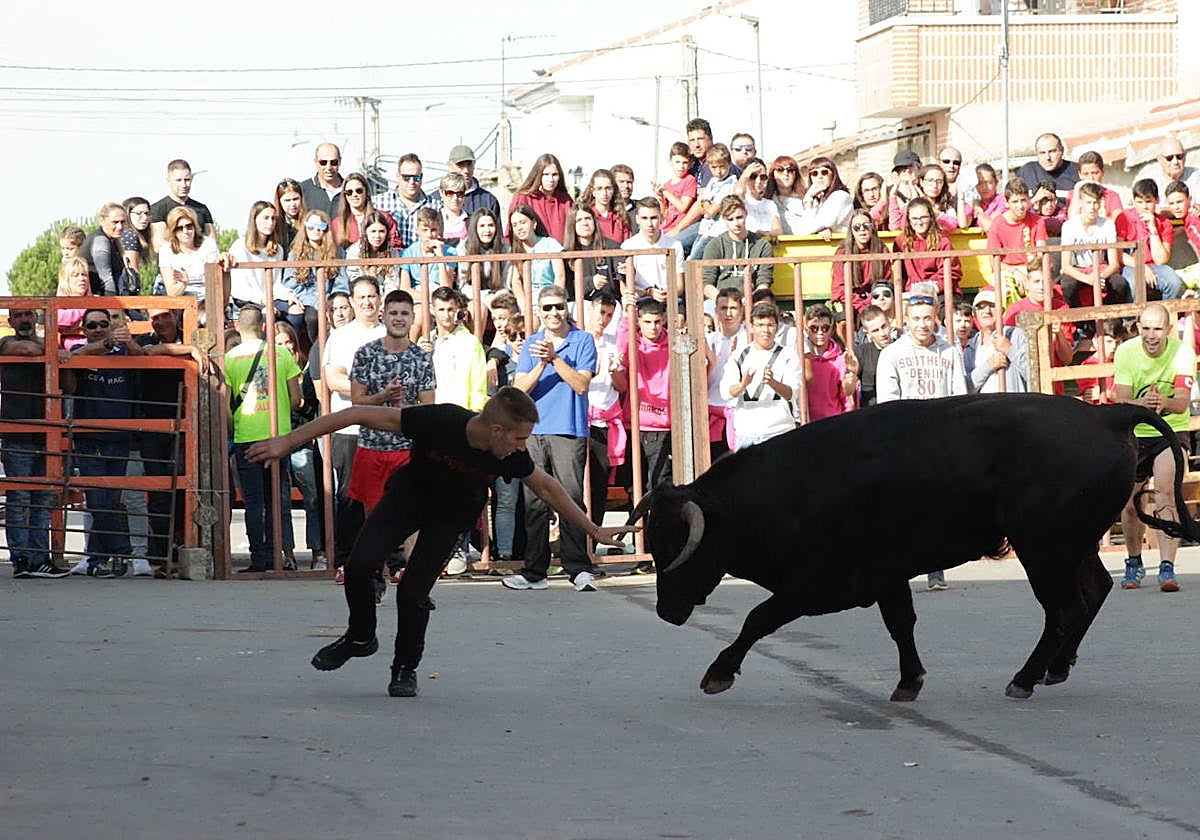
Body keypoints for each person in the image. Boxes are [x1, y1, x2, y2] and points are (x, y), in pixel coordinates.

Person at [245, 386, 635, 697]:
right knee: (361, 565)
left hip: (449, 519)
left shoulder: (508, 455)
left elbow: (549, 488)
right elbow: (356, 413)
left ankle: (404, 668)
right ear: (497, 430)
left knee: (412, 592)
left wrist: (592, 530)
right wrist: (287, 442)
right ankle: (360, 636)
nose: (523, 447)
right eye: (520, 438)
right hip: (407, 499)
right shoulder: (441, 420)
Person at [504, 285, 600, 592]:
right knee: (534, 502)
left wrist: (555, 358)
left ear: (567, 307)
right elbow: (519, 391)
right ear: (539, 312)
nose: (553, 313)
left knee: (570, 499)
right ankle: (535, 571)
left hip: (568, 429)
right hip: (533, 431)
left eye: (558, 306)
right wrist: (542, 362)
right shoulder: (532, 343)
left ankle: (579, 568)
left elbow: (581, 384)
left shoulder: (582, 340)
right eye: (546, 308)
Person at [875, 287, 968, 590]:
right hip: (907, 440)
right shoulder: (892, 354)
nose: (922, 324)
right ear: (907, 319)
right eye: (916, 318)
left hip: (941, 441)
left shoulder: (949, 351)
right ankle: (897, 567)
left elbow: (959, 398)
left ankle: (935, 569)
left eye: (928, 318)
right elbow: (888, 403)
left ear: (936, 318)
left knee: (938, 507)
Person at [348, 290, 435, 583]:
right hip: (372, 445)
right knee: (373, 513)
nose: (399, 318)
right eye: (394, 313)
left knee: (413, 513)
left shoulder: (421, 358)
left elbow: (428, 407)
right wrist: (383, 397)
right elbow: (357, 401)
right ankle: (376, 571)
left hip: (408, 448)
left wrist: (402, 410)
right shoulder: (366, 353)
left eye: (404, 313)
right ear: (383, 315)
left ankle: (415, 573)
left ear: (412, 318)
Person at [1114, 303, 1196, 592]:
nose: (1151, 335)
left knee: (1165, 494)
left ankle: (1167, 566)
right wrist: (1145, 404)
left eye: (1157, 329)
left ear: (1168, 330)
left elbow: (1183, 401)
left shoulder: (1183, 352)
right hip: (1136, 430)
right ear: (1137, 327)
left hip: (1170, 430)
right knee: (1129, 500)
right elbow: (1121, 399)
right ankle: (1134, 561)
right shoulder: (1125, 352)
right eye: (1146, 328)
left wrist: (1163, 403)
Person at [63, 308, 143, 578]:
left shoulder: (125, 351)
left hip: (119, 437)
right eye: (92, 325)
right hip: (89, 438)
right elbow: (70, 383)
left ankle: (98, 559)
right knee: (98, 501)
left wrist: (125, 339)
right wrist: (103, 345)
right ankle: (122, 550)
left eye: (103, 324)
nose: (98, 328)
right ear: (84, 330)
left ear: (111, 325)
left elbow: (142, 359)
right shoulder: (82, 352)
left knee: (109, 501)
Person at [225, 306, 301, 574]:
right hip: (277, 437)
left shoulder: (230, 358)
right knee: (276, 500)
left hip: (246, 436)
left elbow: (225, 405)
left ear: (237, 326)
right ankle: (276, 556)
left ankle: (257, 558)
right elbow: (296, 399)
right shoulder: (280, 353)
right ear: (264, 326)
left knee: (253, 502)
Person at [138, 308, 210, 576]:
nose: (160, 321)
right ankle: (160, 556)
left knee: (183, 486)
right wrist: (186, 350)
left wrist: (189, 348)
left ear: (176, 316)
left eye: (165, 315)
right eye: (155, 317)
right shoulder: (148, 340)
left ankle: (181, 546)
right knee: (158, 491)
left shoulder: (190, 337)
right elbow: (147, 353)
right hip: (152, 425)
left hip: (184, 424)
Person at [323, 277, 385, 581]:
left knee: (390, 494)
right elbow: (334, 379)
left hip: (387, 428)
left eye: (372, 296)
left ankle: (392, 561)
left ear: (380, 298)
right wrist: (373, 393)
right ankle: (347, 562)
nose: (367, 302)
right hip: (348, 426)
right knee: (349, 496)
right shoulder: (341, 336)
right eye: (361, 297)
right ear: (353, 300)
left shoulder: (391, 333)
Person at [1, 308, 66, 579]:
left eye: (29, 314)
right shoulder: (5, 344)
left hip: (46, 432)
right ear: (10, 321)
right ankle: (22, 559)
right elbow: (25, 349)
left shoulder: (45, 345)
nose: (25, 320)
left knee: (42, 497)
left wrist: (52, 350)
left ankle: (38, 559)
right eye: (19, 315)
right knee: (20, 497)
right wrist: (52, 350)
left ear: (37, 319)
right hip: (17, 433)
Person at [273, 321, 326, 571]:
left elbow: (310, 404)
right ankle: (287, 554)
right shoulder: (270, 371)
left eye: (288, 341)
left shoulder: (305, 368)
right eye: (279, 343)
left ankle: (318, 552)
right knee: (281, 500)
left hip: (303, 440)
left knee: (313, 499)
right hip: (280, 439)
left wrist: (301, 403)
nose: (285, 347)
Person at [719, 301, 801, 448]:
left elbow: (791, 393)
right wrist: (743, 385)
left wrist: (773, 383)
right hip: (747, 432)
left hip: (780, 431)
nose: (766, 330)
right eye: (760, 325)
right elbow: (726, 392)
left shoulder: (788, 355)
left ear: (777, 327)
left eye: (770, 325)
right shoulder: (739, 355)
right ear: (751, 327)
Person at [584, 290, 625, 536]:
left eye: (609, 314)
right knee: (574, 485)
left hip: (603, 422)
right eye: (600, 312)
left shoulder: (613, 343)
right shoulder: (577, 338)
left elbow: (622, 386)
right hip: (578, 420)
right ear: (590, 310)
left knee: (598, 486)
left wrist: (614, 370)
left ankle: (593, 541)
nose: (604, 318)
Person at [280, 210, 349, 341]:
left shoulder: (337, 251)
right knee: (313, 318)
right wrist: (316, 301)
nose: (315, 230)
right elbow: (290, 282)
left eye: (320, 226)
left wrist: (332, 299)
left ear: (326, 228)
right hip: (306, 301)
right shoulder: (295, 253)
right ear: (305, 228)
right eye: (311, 226)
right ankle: (316, 353)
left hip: (331, 299)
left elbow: (341, 282)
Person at [1115, 179, 1183, 301]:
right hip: (1130, 265)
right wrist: (1141, 267)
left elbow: (1161, 260)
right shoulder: (1124, 218)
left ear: (1156, 200)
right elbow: (1119, 254)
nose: (1144, 207)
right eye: (1139, 202)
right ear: (1134, 201)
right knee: (1133, 284)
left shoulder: (1164, 223)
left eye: (1148, 202)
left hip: (1155, 266)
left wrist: (1153, 229)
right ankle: (1130, 320)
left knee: (1175, 283)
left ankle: (1164, 315)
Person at [1059, 181, 1124, 307]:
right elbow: (1065, 265)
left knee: (1119, 284)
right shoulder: (1069, 226)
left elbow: (1114, 263)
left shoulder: (1108, 225)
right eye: (1088, 202)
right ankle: (1079, 323)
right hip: (1077, 269)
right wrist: (1088, 279)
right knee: (1068, 285)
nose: (1092, 207)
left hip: (1101, 269)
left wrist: (1099, 276)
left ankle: (1109, 317)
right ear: (1081, 203)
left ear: (1100, 203)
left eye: (1095, 202)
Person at [700, 196, 774, 299]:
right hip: (719, 300)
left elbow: (764, 283)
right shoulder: (714, 245)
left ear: (746, 213)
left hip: (753, 300)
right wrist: (725, 301)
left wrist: (747, 301)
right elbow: (707, 284)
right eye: (730, 219)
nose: (736, 223)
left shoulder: (762, 245)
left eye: (739, 217)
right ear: (723, 219)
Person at [987, 177, 1047, 305]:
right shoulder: (997, 224)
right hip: (1006, 271)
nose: (1020, 206)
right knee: (1005, 289)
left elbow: (1041, 254)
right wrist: (1015, 272)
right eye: (1015, 201)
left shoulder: (1038, 221)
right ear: (1007, 203)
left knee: (1042, 286)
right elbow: (994, 263)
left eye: (1023, 200)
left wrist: (1029, 273)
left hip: (1032, 268)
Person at [963, 287, 1028, 394]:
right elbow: (966, 388)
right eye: (981, 307)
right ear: (974, 314)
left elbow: (1033, 375)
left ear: (1002, 311)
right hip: (983, 409)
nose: (987, 311)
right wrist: (988, 366)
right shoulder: (971, 346)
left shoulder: (1016, 335)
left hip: (1013, 406)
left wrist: (1009, 350)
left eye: (992, 306)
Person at [622, 197, 684, 302]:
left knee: (679, 318)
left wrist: (667, 293)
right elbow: (625, 290)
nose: (650, 224)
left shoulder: (675, 245)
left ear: (661, 218)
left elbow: (679, 286)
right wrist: (649, 292)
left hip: (669, 299)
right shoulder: (628, 246)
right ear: (637, 219)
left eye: (654, 218)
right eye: (644, 218)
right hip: (641, 300)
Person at [894, 197, 962, 295]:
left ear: (931, 217)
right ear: (909, 220)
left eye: (923, 217)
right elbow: (900, 275)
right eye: (915, 218)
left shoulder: (943, 241)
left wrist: (931, 288)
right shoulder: (900, 242)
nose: (919, 222)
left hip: (940, 292)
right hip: (912, 292)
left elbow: (953, 272)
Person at [800, 303, 856, 421]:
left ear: (831, 329)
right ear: (806, 328)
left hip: (833, 421)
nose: (820, 332)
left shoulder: (840, 359)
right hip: (806, 421)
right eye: (814, 328)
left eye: (824, 328)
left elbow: (846, 398)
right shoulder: (800, 358)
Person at [156, 206, 221, 305]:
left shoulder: (208, 245)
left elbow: (215, 284)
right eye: (179, 228)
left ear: (195, 227)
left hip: (207, 299)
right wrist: (183, 283)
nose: (185, 231)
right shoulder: (166, 251)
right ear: (173, 230)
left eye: (189, 226)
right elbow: (171, 292)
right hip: (180, 301)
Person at [831, 210, 891, 313]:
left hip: (875, 299)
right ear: (852, 231)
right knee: (843, 318)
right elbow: (839, 289)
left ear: (872, 228)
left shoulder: (882, 249)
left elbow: (886, 282)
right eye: (857, 227)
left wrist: (870, 301)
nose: (862, 229)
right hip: (850, 301)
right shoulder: (843, 252)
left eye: (866, 225)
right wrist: (861, 305)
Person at [227, 201, 283, 312]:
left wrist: (288, 295)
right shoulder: (239, 246)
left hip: (272, 298)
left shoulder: (278, 249)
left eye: (273, 218)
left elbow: (277, 282)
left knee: (296, 313)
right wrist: (262, 299)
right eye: (265, 218)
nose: (270, 222)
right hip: (246, 299)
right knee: (268, 314)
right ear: (254, 219)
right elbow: (239, 287)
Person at [150, 159, 215, 253]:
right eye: (178, 180)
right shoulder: (157, 209)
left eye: (187, 180)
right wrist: (186, 255)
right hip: (172, 265)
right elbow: (158, 244)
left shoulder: (202, 209)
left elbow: (211, 241)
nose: (184, 184)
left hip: (201, 264)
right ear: (168, 181)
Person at [687, 144, 739, 259]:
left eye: (722, 166)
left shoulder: (730, 184)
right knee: (692, 258)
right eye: (714, 168)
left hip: (717, 231)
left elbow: (711, 211)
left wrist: (705, 203)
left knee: (694, 260)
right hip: (705, 229)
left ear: (729, 165)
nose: (719, 171)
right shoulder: (712, 182)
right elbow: (703, 204)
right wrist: (705, 203)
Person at [562, 203, 620, 301]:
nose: (585, 223)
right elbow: (567, 288)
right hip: (581, 305)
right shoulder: (566, 253)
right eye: (579, 220)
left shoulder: (611, 247)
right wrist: (590, 282)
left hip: (610, 303)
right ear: (572, 225)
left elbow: (621, 275)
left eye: (588, 218)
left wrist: (624, 270)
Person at [508, 153, 572, 242]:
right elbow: (510, 232)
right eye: (546, 174)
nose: (551, 179)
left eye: (554, 174)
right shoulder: (524, 198)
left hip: (562, 253)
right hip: (533, 254)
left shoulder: (566, 200)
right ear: (538, 175)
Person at [508, 205, 565, 303]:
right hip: (528, 298)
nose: (519, 228)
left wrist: (554, 300)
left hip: (549, 294)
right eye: (515, 225)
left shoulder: (550, 244)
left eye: (522, 223)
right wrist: (523, 304)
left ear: (533, 223)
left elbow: (560, 276)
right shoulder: (515, 249)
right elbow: (515, 282)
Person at [372, 153, 429, 251]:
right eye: (406, 177)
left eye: (416, 178)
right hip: (388, 262)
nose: (412, 182)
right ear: (398, 176)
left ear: (422, 177)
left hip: (421, 263)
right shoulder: (377, 203)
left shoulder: (434, 206)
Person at [428, 144, 501, 218]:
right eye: (460, 165)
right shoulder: (433, 201)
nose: (466, 170)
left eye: (469, 164)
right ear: (449, 166)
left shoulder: (488, 200)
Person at [332, 172, 396, 250]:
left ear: (366, 192)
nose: (354, 195)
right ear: (345, 196)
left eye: (359, 191)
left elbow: (395, 245)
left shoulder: (384, 218)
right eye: (349, 192)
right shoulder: (337, 224)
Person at [1016, 132, 1079, 209]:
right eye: (1042, 153)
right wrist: (1034, 200)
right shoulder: (1026, 172)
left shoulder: (1078, 172)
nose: (1047, 157)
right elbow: (1013, 208)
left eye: (1052, 151)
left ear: (1062, 150)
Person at [345, 211, 401, 297]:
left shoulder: (392, 252)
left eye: (381, 231)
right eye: (373, 231)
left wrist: (385, 300)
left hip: (384, 297)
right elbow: (354, 279)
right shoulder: (354, 251)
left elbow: (392, 282)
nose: (377, 236)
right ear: (366, 232)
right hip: (361, 295)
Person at [81, 202, 131, 296]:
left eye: (123, 222)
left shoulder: (112, 241)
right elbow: (106, 279)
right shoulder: (101, 241)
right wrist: (114, 307)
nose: (120, 226)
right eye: (115, 222)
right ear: (102, 221)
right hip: (101, 301)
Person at [852, 303, 895, 407]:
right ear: (867, 333)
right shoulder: (861, 352)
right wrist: (851, 375)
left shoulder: (902, 348)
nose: (882, 333)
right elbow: (848, 391)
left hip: (898, 410)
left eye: (884, 326)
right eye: (875, 330)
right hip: (870, 415)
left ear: (889, 323)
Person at [1076, 319, 1128, 404]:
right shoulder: (1088, 365)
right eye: (1109, 342)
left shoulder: (1122, 362)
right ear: (1096, 341)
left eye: (1117, 342)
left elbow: (1128, 399)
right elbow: (1088, 397)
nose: (1113, 346)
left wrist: (1107, 394)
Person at [579, 168, 633, 245]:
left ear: (613, 190)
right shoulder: (585, 217)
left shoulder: (622, 216)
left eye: (608, 188)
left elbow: (629, 246)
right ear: (593, 191)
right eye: (599, 188)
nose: (604, 193)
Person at [655, 143, 698, 238]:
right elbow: (665, 212)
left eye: (685, 162)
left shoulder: (690, 180)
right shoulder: (667, 184)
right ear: (670, 162)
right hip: (667, 228)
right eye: (677, 162)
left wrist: (665, 192)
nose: (681, 166)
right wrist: (660, 198)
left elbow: (683, 207)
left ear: (690, 163)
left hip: (681, 229)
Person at [1136, 135, 1200, 200]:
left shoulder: (1196, 177)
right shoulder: (1150, 183)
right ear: (1160, 159)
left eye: (1179, 156)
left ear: (1185, 155)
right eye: (1169, 158)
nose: (1175, 162)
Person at [1067, 151, 1124, 221]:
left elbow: (1119, 221)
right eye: (1086, 174)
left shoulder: (1112, 195)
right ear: (1080, 174)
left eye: (1095, 173)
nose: (1091, 178)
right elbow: (1072, 220)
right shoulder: (1074, 194)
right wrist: (1077, 190)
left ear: (1102, 172)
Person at [735, 158, 783, 236]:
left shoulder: (770, 204)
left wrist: (766, 234)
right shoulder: (742, 200)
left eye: (763, 177)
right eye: (753, 176)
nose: (758, 181)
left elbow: (778, 230)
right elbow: (738, 193)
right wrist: (745, 174)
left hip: (765, 244)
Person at [299, 143, 344, 218]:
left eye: (333, 162)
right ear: (316, 162)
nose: (329, 167)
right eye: (323, 162)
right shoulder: (303, 190)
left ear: (339, 161)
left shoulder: (350, 190)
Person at [767, 156, 807, 235]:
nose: (786, 174)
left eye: (790, 170)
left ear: (796, 174)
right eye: (780, 170)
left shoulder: (806, 199)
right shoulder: (766, 200)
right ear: (773, 174)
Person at [886, 149, 922, 231]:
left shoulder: (926, 188)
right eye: (903, 167)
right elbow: (894, 226)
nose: (907, 170)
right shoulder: (889, 192)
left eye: (911, 166)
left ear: (919, 167)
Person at [968, 163, 1006, 234]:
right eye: (980, 183)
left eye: (988, 183)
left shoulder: (1003, 200)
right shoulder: (972, 204)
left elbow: (989, 226)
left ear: (996, 183)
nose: (984, 187)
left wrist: (978, 210)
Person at [433, 172, 468, 245]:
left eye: (460, 194)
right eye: (450, 193)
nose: (455, 198)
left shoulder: (472, 221)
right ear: (441, 193)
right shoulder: (434, 220)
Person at [273, 177, 306, 254]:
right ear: (279, 201)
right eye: (287, 200)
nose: (292, 204)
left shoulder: (309, 221)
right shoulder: (273, 222)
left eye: (295, 199)